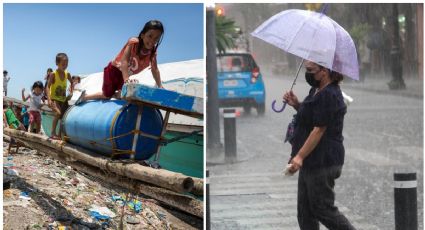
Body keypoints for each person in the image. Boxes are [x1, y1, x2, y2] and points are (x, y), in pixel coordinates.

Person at [283, 61, 356, 230]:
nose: (308, 74)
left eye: (311, 70)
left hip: (323, 160)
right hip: (312, 159)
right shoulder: (317, 90)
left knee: (323, 209)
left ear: (325, 71)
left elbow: (319, 129)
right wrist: (297, 104)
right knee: (305, 212)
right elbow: (312, 117)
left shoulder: (329, 94)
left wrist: (299, 156)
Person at [77, 20, 164, 104]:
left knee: (122, 95)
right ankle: (85, 97)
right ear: (142, 35)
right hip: (114, 71)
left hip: (124, 75)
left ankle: (92, 96)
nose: (153, 40)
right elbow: (124, 60)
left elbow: (155, 69)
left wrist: (160, 85)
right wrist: (126, 79)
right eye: (150, 36)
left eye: (156, 38)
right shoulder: (134, 43)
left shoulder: (152, 53)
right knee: (107, 95)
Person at [46, 53, 73, 139]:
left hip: (63, 100)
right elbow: (47, 87)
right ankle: (52, 133)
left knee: (64, 117)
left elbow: (72, 82)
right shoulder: (53, 74)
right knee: (58, 113)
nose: (65, 66)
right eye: (63, 64)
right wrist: (49, 100)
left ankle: (59, 135)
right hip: (55, 99)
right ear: (57, 63)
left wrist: (71, 91)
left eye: (66, 64)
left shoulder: (67, 74)